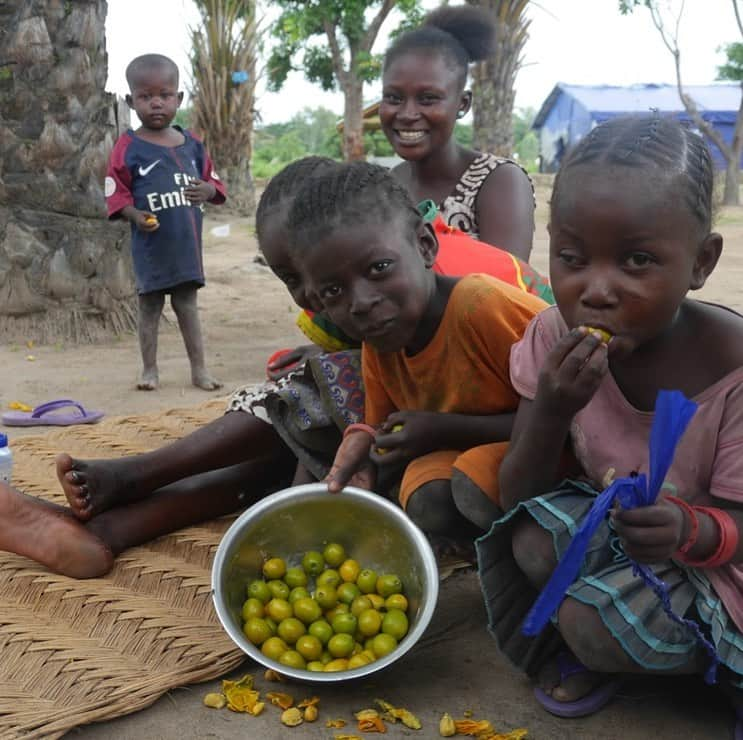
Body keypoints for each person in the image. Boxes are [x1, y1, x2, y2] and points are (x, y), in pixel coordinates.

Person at [0, 156, 545, 579]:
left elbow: (557, 395)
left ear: (419, 247)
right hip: (441, 418)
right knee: (301, 437)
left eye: (317, 281)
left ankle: (136, 479)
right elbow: (373, 404)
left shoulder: (455, 289)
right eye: (299, 280)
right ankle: (109, 527)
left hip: (513, 421)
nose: (317, 297)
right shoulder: (362, 296)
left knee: (310, 398)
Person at [476, 115, 743, 730]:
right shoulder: (551, 333)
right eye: (571, 257)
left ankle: (723, 665)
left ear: (701, 262)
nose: (595, 290)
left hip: (719, 558)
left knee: (588, 625)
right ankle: (643, 651)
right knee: (533, 540)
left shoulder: (731, 368)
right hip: (635, 533)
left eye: (638, 260)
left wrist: (690, 531)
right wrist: (551, 409)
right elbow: (519, 496)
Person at [288, 161, 547, 541]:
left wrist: (442, 428)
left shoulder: (482, 306)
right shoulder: (381, 338)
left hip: (549, 445)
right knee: (426, 496)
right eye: (332, 292)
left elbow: (573, 415)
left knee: (473, 482)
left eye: (378, 268)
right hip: (472, 445)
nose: (360, 303)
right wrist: (364, 440)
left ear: (425, 245)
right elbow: (378, 420)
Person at [105, 53, 226, 391]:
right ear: (131, 101)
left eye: (165, 95)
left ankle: (199, 370)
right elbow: (116, 192)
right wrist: (134, 215)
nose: (156, 103)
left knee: (187, 306)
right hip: (150, 248)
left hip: (186, 245)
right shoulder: (128, 147)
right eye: (145, 97)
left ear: (179, 98)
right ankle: (149, 370)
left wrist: (206, 189)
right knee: (150, 308)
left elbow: (214, 184)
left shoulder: (193, 145)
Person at [379, 5, 535, 261]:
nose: (407, 114)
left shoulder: (497, 182)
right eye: (394, 98)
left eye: (428, 99)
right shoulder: (386, 187)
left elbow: (504, 292)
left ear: (462, 104)